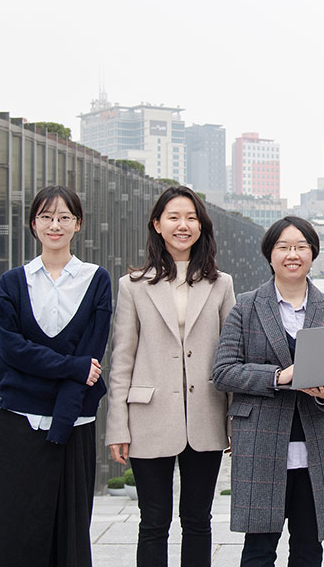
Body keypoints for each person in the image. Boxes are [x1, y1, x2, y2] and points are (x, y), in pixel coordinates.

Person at [0, 186, 111, 567]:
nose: (56, 225)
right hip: (20, 419)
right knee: (10, 527)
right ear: (33, 224)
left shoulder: (95, 279)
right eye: (47, 217)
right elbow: (15, 352)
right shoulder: (13, 282)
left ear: (78, 225)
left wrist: (62, 419)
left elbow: (92, 350)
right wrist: (73, 368)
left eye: (64, 217)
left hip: (74, 423)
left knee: (69, 527)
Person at [105, 186, 235, 567]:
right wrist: (117, 427)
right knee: (153, 521)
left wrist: (233, 421)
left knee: (198, 521)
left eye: (192, 217)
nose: (184, 225)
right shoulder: (132, 285)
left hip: (206, 415)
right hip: (148, 415)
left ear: (202, 227)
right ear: (157, 224)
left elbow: (231, 357)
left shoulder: (221, 283)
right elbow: (122, 359)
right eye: (174, 217)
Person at [212, 216, 324, 567]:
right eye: (284, 247)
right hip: (261, 442)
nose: (293, 254)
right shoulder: (246, 305)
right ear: (270, 255)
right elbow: (223, 371)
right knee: (258, 550)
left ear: (313, 254)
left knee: (309, 548)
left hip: (318, 443)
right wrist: (280, 376)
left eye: (301, 246)